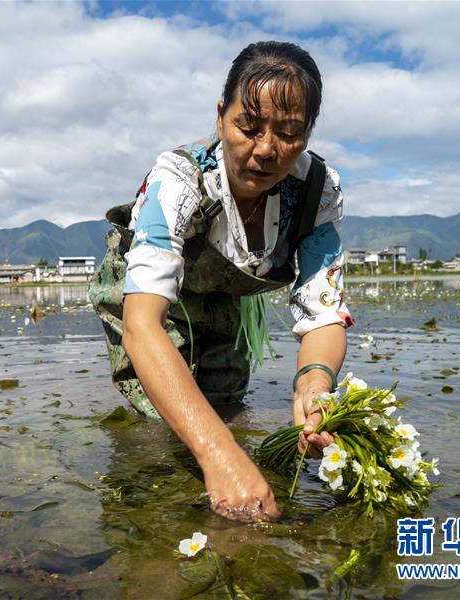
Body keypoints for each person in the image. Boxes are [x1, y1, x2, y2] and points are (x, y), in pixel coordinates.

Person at [89, 41, 353, 522]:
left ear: (308, 131)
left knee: (226, 399)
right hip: (147, 298)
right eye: (248, 128)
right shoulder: (179, 179)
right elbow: (141, 325)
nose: (267, 150)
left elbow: (323, 313)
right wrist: (220, 454)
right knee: (163, 418)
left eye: (290, 133)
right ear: (220, 117)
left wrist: (314, 386)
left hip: (222, 295)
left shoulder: (319, 191)